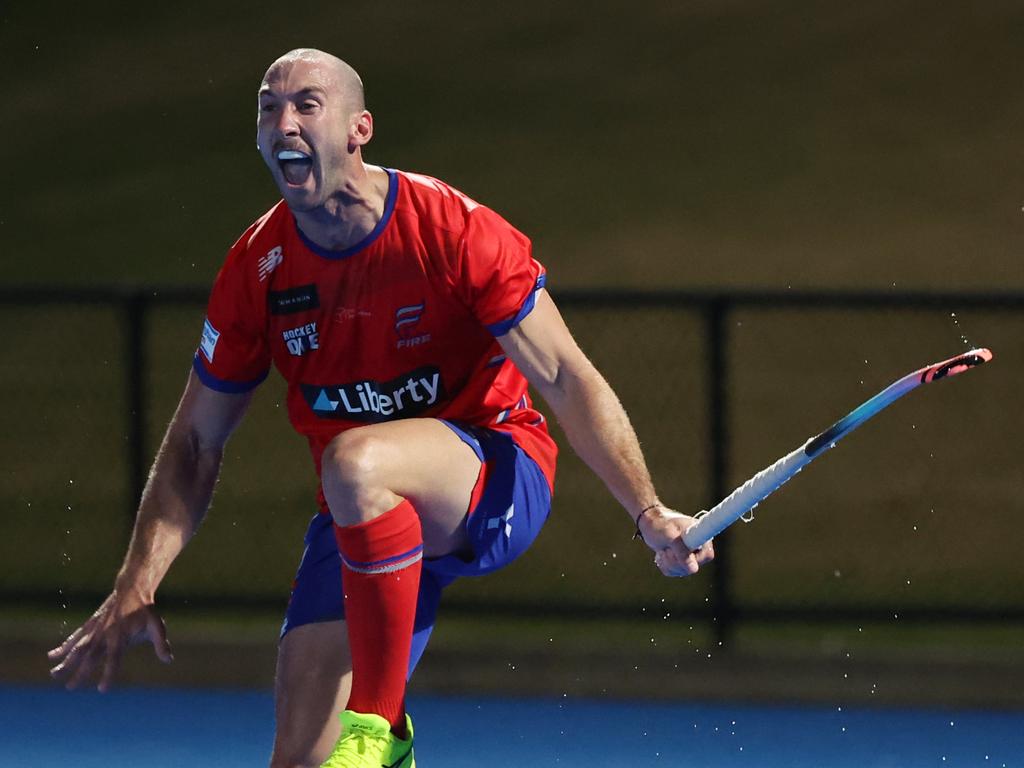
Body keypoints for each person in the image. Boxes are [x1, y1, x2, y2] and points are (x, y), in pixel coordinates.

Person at [47, 48, 714, 768]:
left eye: (307, 104)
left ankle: (379, 724)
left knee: (357, 462)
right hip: (363, 516)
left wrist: (648, 512)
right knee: (301, 762)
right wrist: (138, 579)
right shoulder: (257, 270)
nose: (283, 122)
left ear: (359, 128)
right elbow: (194, 445)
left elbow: (564, 376)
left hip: (492, 476)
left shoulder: (452, 229)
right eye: (268, 108)